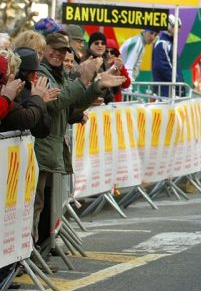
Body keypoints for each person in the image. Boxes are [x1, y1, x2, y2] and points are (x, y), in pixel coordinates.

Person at [34, 32, 125, 251]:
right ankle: (29, 254)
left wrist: (96, 87)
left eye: (64, 51)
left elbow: (70, 108)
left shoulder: (59, 74)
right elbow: (56, 104)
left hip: (52, 148)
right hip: (43, 147)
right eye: (54, 49)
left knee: (43, 203)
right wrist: (84, 80)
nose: (58, 54)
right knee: (36, 204)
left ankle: (37, 250)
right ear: (45, 49)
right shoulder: (42, 72)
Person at [0, 48, 59, 135]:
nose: (36, 75)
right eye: (32, 72)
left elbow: (42, 130)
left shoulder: (27, 92)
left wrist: (39, 101)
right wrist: (37, 99)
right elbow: (26, 118)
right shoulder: (9, 92)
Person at [152, 15, 184, 96]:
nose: (179, 30)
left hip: (171, 90)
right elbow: (163, 67)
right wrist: (178, 84)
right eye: (177, 27)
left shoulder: (169, 43)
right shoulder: (163, 44)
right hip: (166, 92)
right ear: (170, 27)